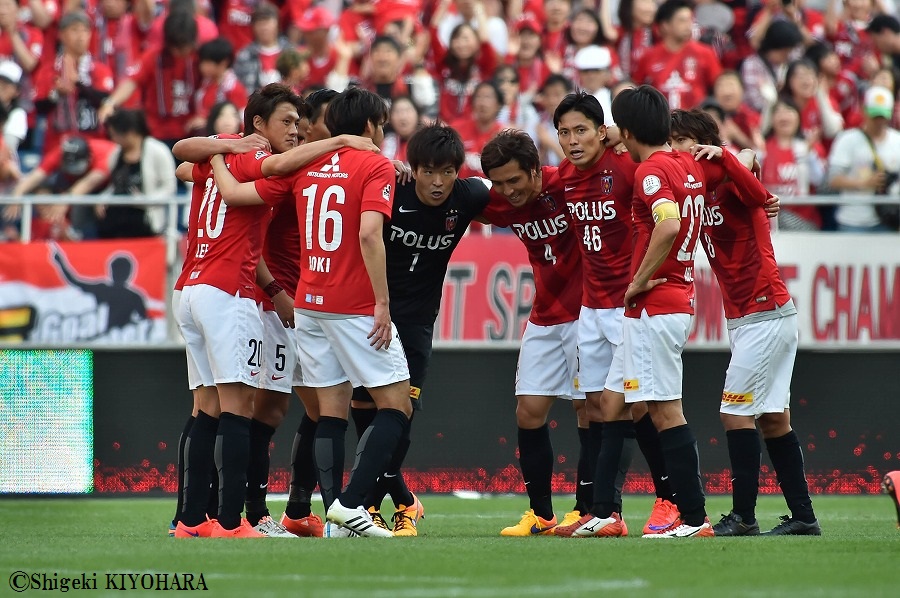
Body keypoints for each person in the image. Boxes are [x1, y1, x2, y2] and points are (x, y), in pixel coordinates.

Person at [170, 83, 379, 539]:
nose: (298, 132)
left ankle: (190, 519)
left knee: (210, 407)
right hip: (234, 293)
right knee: (241, 409)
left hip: (192, 287)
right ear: (260, 126)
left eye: (302, 125)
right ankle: (233, 520)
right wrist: (343, 142)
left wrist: (221, 152)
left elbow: (185, 159)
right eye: (289, 123)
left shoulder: (220, 156)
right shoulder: (256, 158)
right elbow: (271, 169)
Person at [212, 87, 413, 538]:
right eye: (380, 125)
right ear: (369, 127)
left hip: (308, 304)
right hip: (356, 304)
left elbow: (236, 195)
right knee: (396, 405)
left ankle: (334, 519)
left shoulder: (307, 165)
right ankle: (349, 503)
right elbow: (368, 237)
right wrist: (382, 302)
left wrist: (219, 156)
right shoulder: (376, 164)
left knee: (331, 410)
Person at [669, 108, 821, 536]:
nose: (676, 148)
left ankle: (744, 516)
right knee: (774, 417)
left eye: (683, 139)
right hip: (750, 317)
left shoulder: (733, 181)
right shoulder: (693, 191)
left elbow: (759, 196)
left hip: (765, 310)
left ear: (704, 144)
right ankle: (804, 517)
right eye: (672, 140)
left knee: (734, 413)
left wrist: (732, 157)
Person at [549, 91, 680, 538]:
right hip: (591, 307)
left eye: (581, 130)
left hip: (629, 306)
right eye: (563, 132)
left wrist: (738, 155)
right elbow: (522, 187)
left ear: (604, 131)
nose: (572, 140)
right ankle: (599, 510)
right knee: (592, 407)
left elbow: (679, 173)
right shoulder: (563, 175)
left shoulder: (629, 167)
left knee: (633, 404)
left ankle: (669, 500)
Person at [351, 123, 492, 536]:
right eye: (428, 171)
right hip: (372, 312)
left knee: (400, 411)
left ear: (457, 172)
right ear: (414, 167)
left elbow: (514, 194)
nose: (437, 182)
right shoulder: (392, 188)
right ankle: (405, 501)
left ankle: (375, 507)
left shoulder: (468, 195)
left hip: (416, 322)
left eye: (446, 172)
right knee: (363, 407)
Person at [610, 85, 714, 538]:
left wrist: (636, 281)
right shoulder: (686, 163)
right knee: (650, 405)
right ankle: (688, 514)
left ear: (629, 130)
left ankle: (693, 517)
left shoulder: (650, 173)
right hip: (679, 297)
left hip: (657, 301)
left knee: (666, 411)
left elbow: (667, 223)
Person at [478, 129, 584, 537]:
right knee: (529, 411)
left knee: (588, 410)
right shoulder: (502, 202)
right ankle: (541, 514)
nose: (507, 190)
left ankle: (589, 509)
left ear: (536, 170)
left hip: (587, 314)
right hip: (544, 316)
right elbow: (462, 198)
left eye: (514, 181)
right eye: (498, 183)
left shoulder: (569, 183)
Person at [827, 85, 900, 232]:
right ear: (863, 110)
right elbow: (833, 180)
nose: (879, 121)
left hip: (889, 219)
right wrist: (865, 182)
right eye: (875, 116)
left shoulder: (897, 140)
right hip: (854, 220)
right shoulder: (847, 139)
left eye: (882, 116)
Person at [99, 109, 177, 239]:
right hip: (116, 220)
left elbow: (169, 188)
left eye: (115, 135)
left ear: (129, 133)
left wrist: (144, 200)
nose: (113, 139)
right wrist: (103, 199)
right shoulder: (115, 155)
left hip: (145, 220)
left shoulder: (158, 151)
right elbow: (115, 185)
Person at [631, 0, 722, 111]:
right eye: (682, 21)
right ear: (665, 25)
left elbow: (719, 88)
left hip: (696, 122)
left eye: (690, 20)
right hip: (660, 121)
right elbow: (636, 90)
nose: (688, 26)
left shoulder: (705, 53)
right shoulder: (648, 57)